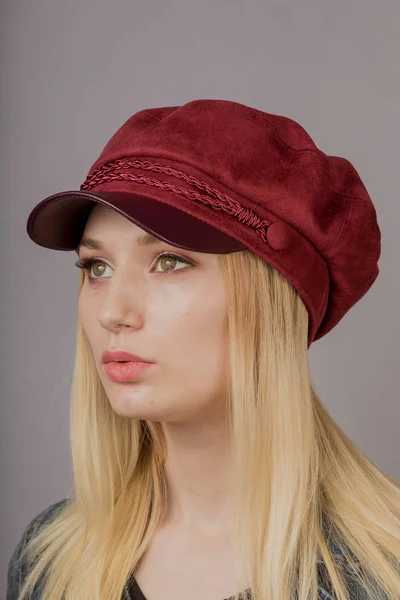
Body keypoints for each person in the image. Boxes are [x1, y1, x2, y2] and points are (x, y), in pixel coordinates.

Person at [6, 99, 400, 600]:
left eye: (168, 262)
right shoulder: (50, 562)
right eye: (97, 268)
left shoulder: (379, 575)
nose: (112, 312)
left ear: (271, 301)